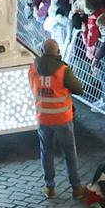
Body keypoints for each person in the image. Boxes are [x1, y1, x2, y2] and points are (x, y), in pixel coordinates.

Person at [28, 41, 77, 198]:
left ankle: (49, 187)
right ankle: (76, 188)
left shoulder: (33, 68)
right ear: (58, 51)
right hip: (62, 118)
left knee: (46, 151)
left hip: (43, 118)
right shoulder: (63, 69)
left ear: (42, 50)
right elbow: (78, 88)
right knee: (69, 152)